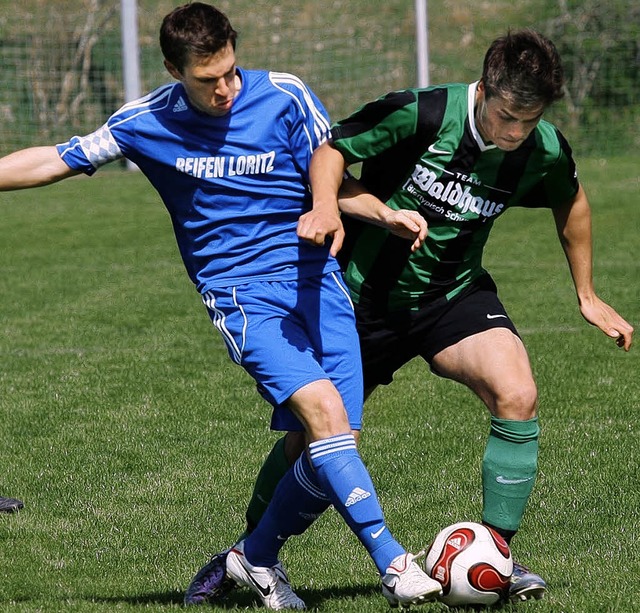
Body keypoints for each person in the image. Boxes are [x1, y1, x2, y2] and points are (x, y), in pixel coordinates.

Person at [0, 3, 443, 610]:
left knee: (331, 444)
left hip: (318, 285)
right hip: (242, 295)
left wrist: (372, 211)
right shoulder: (145, 120)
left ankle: (253, 558)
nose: (225, 89)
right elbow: (57, 156)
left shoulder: (284, 94)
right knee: (323, 414)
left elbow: (328, 162)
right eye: (208, 80)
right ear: (173, 69)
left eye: (231, 71)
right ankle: (394, 563)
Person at [185, 28, 634, 605]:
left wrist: (588, 294)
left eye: (530, 119)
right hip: (360, 299)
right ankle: (249, 554)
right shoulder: (420, 113)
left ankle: (493, 556)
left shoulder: (542, 148)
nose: (515, 132)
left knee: (517, 392)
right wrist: (326, 206)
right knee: (310, 443)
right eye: (506, 117)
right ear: (484, 89)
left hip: (453, 295)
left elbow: (571, 200)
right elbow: (331, 151)